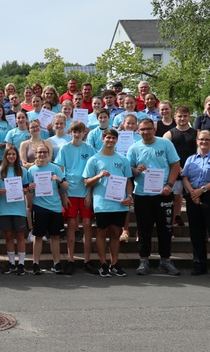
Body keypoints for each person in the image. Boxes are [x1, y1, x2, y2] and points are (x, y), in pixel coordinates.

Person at [128, 119, 181, 276]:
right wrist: (136, 170)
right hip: (142, 195)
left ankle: (165, 260)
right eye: (142, 129)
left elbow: (175, 165)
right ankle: (144, 260)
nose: (146, 132)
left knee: (165, 228)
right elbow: (128, 169)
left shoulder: (165, 144)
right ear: (138, 131)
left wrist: (169, 185)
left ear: (154, 129)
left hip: (163, 193)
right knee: (144, 229)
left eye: (149, 129)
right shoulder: (134, 148)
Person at [83, 128, 133, 277]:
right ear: (102, 139)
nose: (110, 140)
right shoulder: (94, 159)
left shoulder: (123, 159)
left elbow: (128, 181)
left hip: (119, 203)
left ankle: (114, 264)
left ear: (117, 140)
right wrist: (99, 176)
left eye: (113, 138)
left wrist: (129, 196)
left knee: (115, 233)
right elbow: (86, 182)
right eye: (108, 138)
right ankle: (103, 264)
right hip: (102, 203)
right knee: (101, 232)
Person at [181, 130, 210, 280]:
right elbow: (185, 177)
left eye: (207, 140)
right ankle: (199, 265)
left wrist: (201, 190)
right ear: (197, 141)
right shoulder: (190, 159)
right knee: (196, 232)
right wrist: (192, 193)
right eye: (201, 139)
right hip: (193, 196)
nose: (204, 142)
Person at [56, 121, 97, 274]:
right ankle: (71, 259)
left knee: (87, 224)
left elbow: (93, 172)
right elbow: (60, 173)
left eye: (79, 131)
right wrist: (64, 194)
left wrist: (89, 194)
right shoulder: (65, 148)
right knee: (72, 224)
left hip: (85, 191)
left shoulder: (89, 148)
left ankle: (87, 260)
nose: (77, 134)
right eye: (74, 131)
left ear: (83, 132)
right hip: (70, 192)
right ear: (70, 132)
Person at [27, 143, 68, 274]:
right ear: (35, 154)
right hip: (39, 207)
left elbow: (66, 186)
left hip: (55, 207)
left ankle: (56, 263)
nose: (42, 154)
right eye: (40, 152)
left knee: (55, 237)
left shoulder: (55, 168)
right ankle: (36, 264)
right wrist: (30, 188)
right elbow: (28, 190)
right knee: (38, 237)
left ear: (48, 154)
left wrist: (59, 180)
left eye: (45, 152)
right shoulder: (31, 170)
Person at [0, 146, 30, 275]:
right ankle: (11, 262)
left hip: (19, 209)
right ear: (5, 156)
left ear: (17, 156)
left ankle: (21, 263)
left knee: (20, 236)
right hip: (5, 209)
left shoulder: (23, 171)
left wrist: (25, 190)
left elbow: (26, 188)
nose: (11, 156)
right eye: (9, 154)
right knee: (8, 236)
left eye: (13, 154)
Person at [163, 106, 198, 228]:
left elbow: (200, 152)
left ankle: (196, 225)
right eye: (180, 116)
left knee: (193, 197)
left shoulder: (196, 133)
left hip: (192, 171)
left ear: (189, 117)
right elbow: (164, 155)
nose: (182, 118)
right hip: (175, 170)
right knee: (176, 196)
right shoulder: (168, 134)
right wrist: (176, 168)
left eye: (185, 116)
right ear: (175, 117)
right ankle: (175, 220)